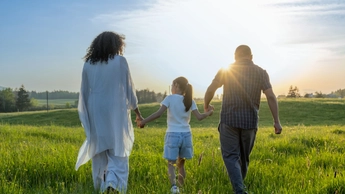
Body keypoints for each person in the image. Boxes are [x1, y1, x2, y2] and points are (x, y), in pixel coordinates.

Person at [204, 45, 282, 194]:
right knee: (244, 158)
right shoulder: (261, 72)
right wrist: (276, 121)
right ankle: (239, 188)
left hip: (229, 120)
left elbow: (211, 89)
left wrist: (206, 105)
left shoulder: (226, 70)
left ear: (235, 56)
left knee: (231, 156)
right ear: (251, 56)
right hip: (250, 122)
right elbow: (271, 96)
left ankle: (239, 190)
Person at [75, 31, 143, 193]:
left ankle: (102, 186)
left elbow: (83, 93)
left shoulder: (88, 64)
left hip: (95, 111)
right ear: (116, 45)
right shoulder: (120, 62)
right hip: (115, 112)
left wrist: (87, 118)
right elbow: (129, 90)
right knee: (118, 150)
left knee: (99, 151)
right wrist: (137, 112)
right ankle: (113, 184)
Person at [139, 76, 214, 194]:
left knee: (171, 164)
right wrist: (209, 113)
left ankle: (174, 188)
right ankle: (181, 187)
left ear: (176, 86)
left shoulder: (169, 99)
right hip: (186, 135)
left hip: (173, 134)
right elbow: (199, 117)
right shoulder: (190, 100)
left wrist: (143, 121)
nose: (171, 88)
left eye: (172, 85)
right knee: (181, 164)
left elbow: (158, 114)